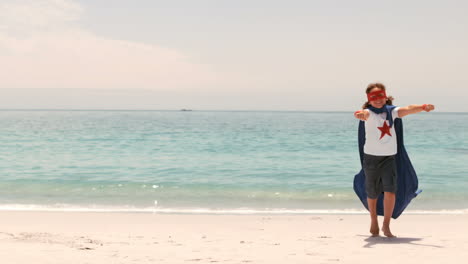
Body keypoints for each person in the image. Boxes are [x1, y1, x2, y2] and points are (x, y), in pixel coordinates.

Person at [354, 83, 435, 237]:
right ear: (369, 99)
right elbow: (361, 114)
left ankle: (386, 225)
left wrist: (423, 107)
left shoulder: (392, 112)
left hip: (389, 159)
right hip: (371, 158)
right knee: (372, 192)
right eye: (374, 97)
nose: (378, 100)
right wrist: (360, 115)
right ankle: (373, 221)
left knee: (391, 191)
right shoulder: (368, 113)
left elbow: (409, 108)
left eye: (380, 96)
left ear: (385, 97)